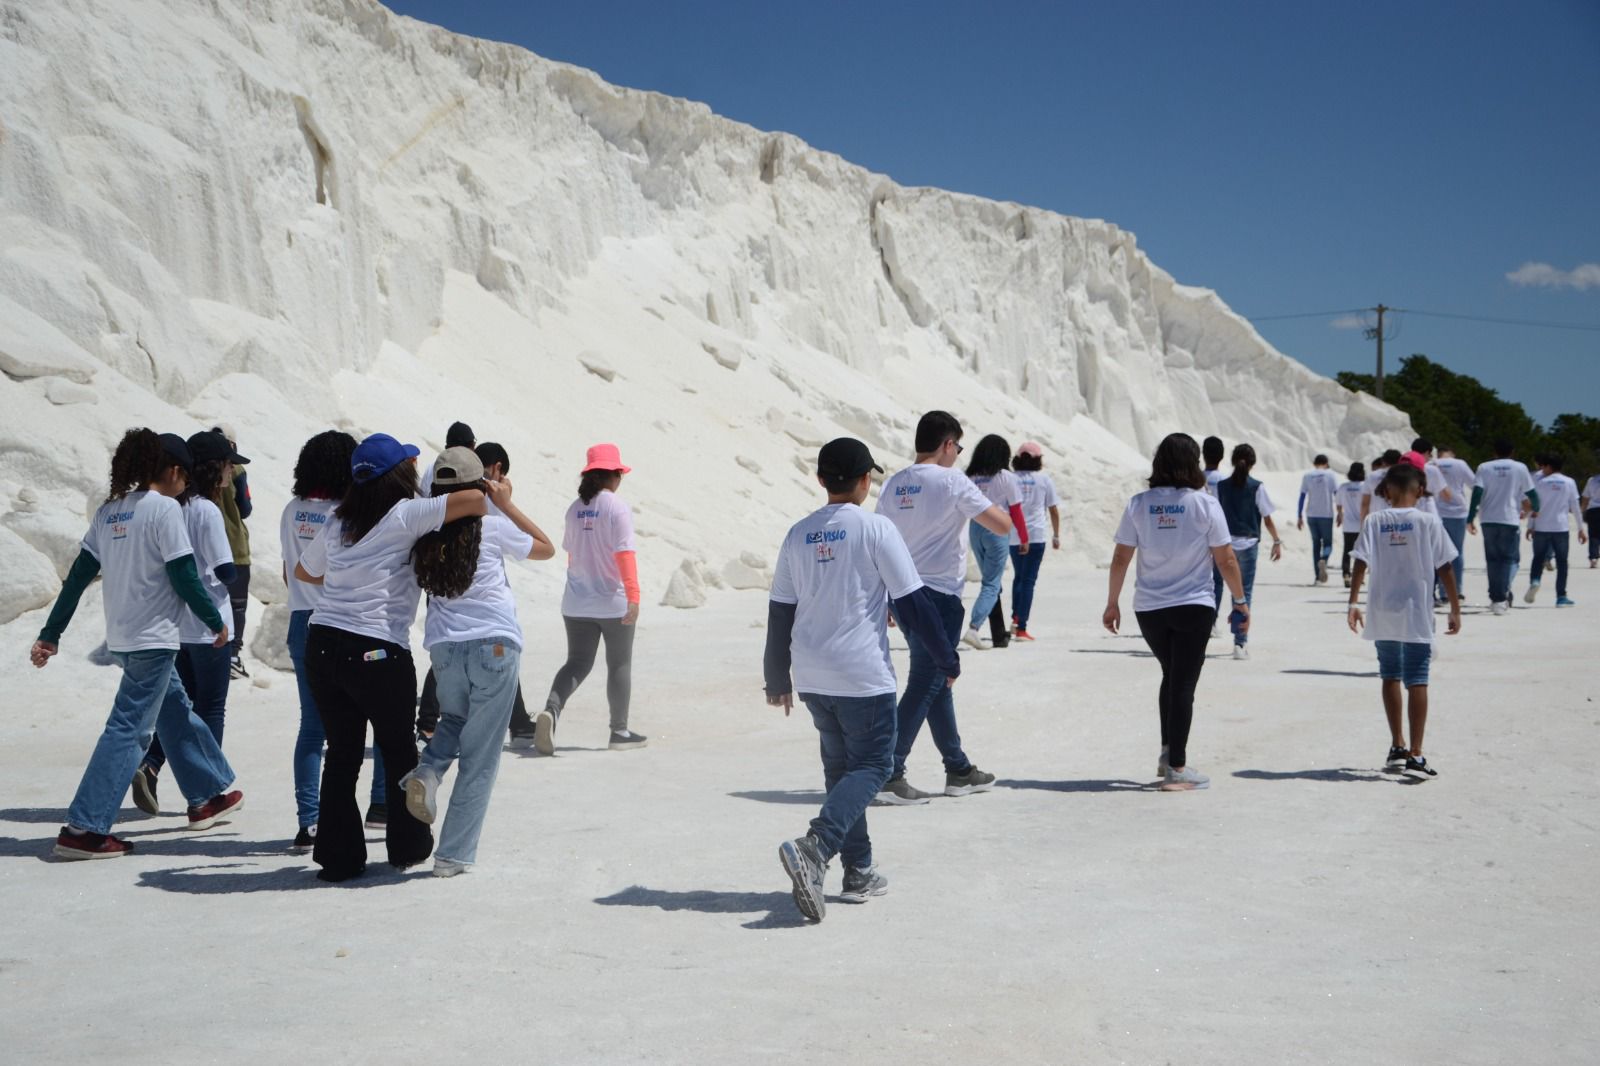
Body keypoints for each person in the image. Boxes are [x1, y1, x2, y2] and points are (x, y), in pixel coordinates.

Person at [763, 438, 961, 921]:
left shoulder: (797, 534)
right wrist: (945, 657)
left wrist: (776, 676)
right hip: (861, 673)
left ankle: (859, 870)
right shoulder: (876, 528)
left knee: (840, 771)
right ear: (865, 481)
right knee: (873, 767)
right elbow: (913, 602)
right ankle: (817, 846)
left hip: (812, 673)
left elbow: (779, 612)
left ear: (820, 480)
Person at [30, 429, 243, 858]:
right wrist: (214, 620)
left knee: (175, 710)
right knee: (128, 730)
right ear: (176, 471)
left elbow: (77, 577)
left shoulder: (109, 512)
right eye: (184, 478)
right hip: (155, 638)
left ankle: (205, 796)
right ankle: (84, 829)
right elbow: (184, 575)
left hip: (125, 638)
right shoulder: (165, 510)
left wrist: (51, 633)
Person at [294, 432, 487, 882]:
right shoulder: (405, 515)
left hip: (322, 642)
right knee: (398, 747)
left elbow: (306, 570)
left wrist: (349, 582)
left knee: (341, 752)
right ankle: (407, 845)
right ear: (399, 475)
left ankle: (338, 859)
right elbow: (475, 501)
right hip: (377, 648)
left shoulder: (339, 518)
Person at [400, 448, 554, 876]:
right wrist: (505, 504)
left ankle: (429, 770)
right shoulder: (491, 526)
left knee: (453, 720)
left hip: (445, 650)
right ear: (480, 486)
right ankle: (452, 855)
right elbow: (546, 548)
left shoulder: (424, 532)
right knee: (481, 758)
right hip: (495, 646)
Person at [874, 410, 1010, 804]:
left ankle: (959, 769)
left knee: (935, 683)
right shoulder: (953, 481)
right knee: (927, 682)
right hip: (939, 597)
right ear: (948, 444)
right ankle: (888, 771)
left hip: (902, 594)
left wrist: (883, 595)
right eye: (958, 446)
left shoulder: (895, 482)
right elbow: (1000, 524)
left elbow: (880, 540)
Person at [1103, 432, 1248, 792]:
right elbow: (1226, 558)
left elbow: (1122, 556)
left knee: (1171, 675)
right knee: (1183, 682)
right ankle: (1178, 769)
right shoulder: (1205, 504)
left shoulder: (1139, 503)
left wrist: (1112, 601)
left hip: (1149, 609)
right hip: (1193, 605)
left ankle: (1168, 754)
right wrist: (1240, 600)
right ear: (1193, 463)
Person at [280, 430, 389, 850]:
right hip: (344, 621)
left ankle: (309, 820)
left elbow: (290, 571)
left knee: (312, 727)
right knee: (378, 711)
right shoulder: (347, 513)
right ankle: (380, 803)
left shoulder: (292, 510)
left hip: (300, 619)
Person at [132, 429, 245, 814]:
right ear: (216, 469)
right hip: (210, 623)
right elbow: (226, 570)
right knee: (211, 707)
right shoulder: (205, 511)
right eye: (230, 466)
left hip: (173, 623)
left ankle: (150, 763)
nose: (233, 474)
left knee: (179, 707)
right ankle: (209, 792)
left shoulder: (164, 507)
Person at [1348, 463, 1461, 777]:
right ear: (1420, 490)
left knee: (1390, 675)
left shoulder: (1374, 521)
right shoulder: (1428, 521)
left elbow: (1360, 562)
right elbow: (1446, 567)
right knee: (1418, 678)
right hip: (1416, 613)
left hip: (1383, 611)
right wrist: (1455, 607)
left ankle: (1397, 744)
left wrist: (1353, 602)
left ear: (1386, 491)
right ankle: (1416, 751)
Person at [536, 443, 645, 754]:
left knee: (577, 662)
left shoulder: (574, 508)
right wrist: (634, 596)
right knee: (619, 664)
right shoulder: (616, 507)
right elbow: (624, 554)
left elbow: (572, 556)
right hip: (612, 601)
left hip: (575, 602)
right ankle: (619, 732)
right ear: (613, 476)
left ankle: (551, 710)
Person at [417, 421, 478, 742]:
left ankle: (433, 718)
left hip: (434, 560)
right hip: (458, 561)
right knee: (453, 645)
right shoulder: (469, 469)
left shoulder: (432, 470)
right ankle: (428, 720)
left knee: (445, 642)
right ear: (471, 445)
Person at [960, 434, 1028, 651]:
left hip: (975, 528)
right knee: (991, 583)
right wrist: (1024, 537)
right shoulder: (1006, 477)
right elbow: (1016, 511)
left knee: (990, 582)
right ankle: (974, 627)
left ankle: (998, 633)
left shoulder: (970, 476)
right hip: (996, 528)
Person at [1212, 444, 1281, 660]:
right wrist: (1277, 540)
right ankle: (1239, 644)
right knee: (1243, 594)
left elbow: (1213, 515)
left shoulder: (1221, 486)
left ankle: (1208, 627)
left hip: (1224, 545)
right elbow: (1267, 517)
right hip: (1249, 544)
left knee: (1215, 586)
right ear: (1252, 463)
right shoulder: (1257, 487)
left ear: (1232, 461)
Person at [1467, 439, 1539, 615]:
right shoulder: (1520, 467)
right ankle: (1501, 598)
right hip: (1509, 519)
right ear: (1512, 452)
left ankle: (1495, 597)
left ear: (1494, 452)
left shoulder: (1484, 467)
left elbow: (1477, 493)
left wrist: (1470, 518)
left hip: (1488, 519)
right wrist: (1536, 509)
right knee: (1507, 560)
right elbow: (1531, 493)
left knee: (1492, 560)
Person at [1007, 441, 1061, 641]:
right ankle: (1022, 627)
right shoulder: (1044, 479)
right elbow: (1053, 509)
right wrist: (1056, 535)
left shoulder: (1011, 478)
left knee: (1019, 577)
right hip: (1036, 535)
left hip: (1014, 535)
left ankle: (1015, 616)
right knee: (1029, 580)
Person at [214, 424, 253, 679]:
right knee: (237, 605)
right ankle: (233, 656)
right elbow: (246, 508)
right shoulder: (237, 469)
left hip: (207, 550)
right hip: (235, 545)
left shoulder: (195, 467)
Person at [1524, 453, 1584, 606]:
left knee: (1538, 558)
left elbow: (1534, 506)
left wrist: (1530, 525)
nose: (1542, 470)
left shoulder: (1540, 483)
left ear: (1550, 467)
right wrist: (1580, 528)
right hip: (1561, 527)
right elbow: (1575, 507)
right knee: (1562, 562)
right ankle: (1561, 596)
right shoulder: (1569, 482)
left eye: (1544, 467)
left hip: (1542, 526)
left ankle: (1535, 581)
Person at [1433, 447, 1475, 599]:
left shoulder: (1433, 464)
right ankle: (1456, 590)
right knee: (1457, 552)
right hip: (1458, 512)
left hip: (1437, 512)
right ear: (1452, 453)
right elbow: (1474, 484)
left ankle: (1443, 591)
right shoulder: (1460, 464)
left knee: (1439, 552)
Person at [1297, 454, 1339, 585]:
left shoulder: (1307, 475)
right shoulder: (1331, 475)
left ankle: (1317, 577)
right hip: (1326, 514)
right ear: (1326, 463)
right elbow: (1337, 494)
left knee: (1316, 544)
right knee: (1327, 544)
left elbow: (1302, 496)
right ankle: (1324, 560)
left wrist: (1299, 515)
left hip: (1311, 514)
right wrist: (1340, 512)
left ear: (1315, 463)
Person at [1335, 462, 1367, 588]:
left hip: (1348, 523)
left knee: (1347, 550)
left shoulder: (1343, 487)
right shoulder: (1365, 486)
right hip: (1362, 523)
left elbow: (1338, 504)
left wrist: (1340, 514)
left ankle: (1346, 574)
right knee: (1362, 551)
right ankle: (1359, 576)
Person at [1359, 449, 1401, 521]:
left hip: (1376, 520)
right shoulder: (1404, 475)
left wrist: (1363, 523)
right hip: (1398, 520)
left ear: (1383, 461)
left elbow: (1365, 503)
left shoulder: (1371, 476)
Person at [1583, 471, 1600, 569]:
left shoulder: (1592, 480)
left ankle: (1593, 558)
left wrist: (1583, 511)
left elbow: (1586, 497)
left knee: (1593, 535)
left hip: (1593, 510)